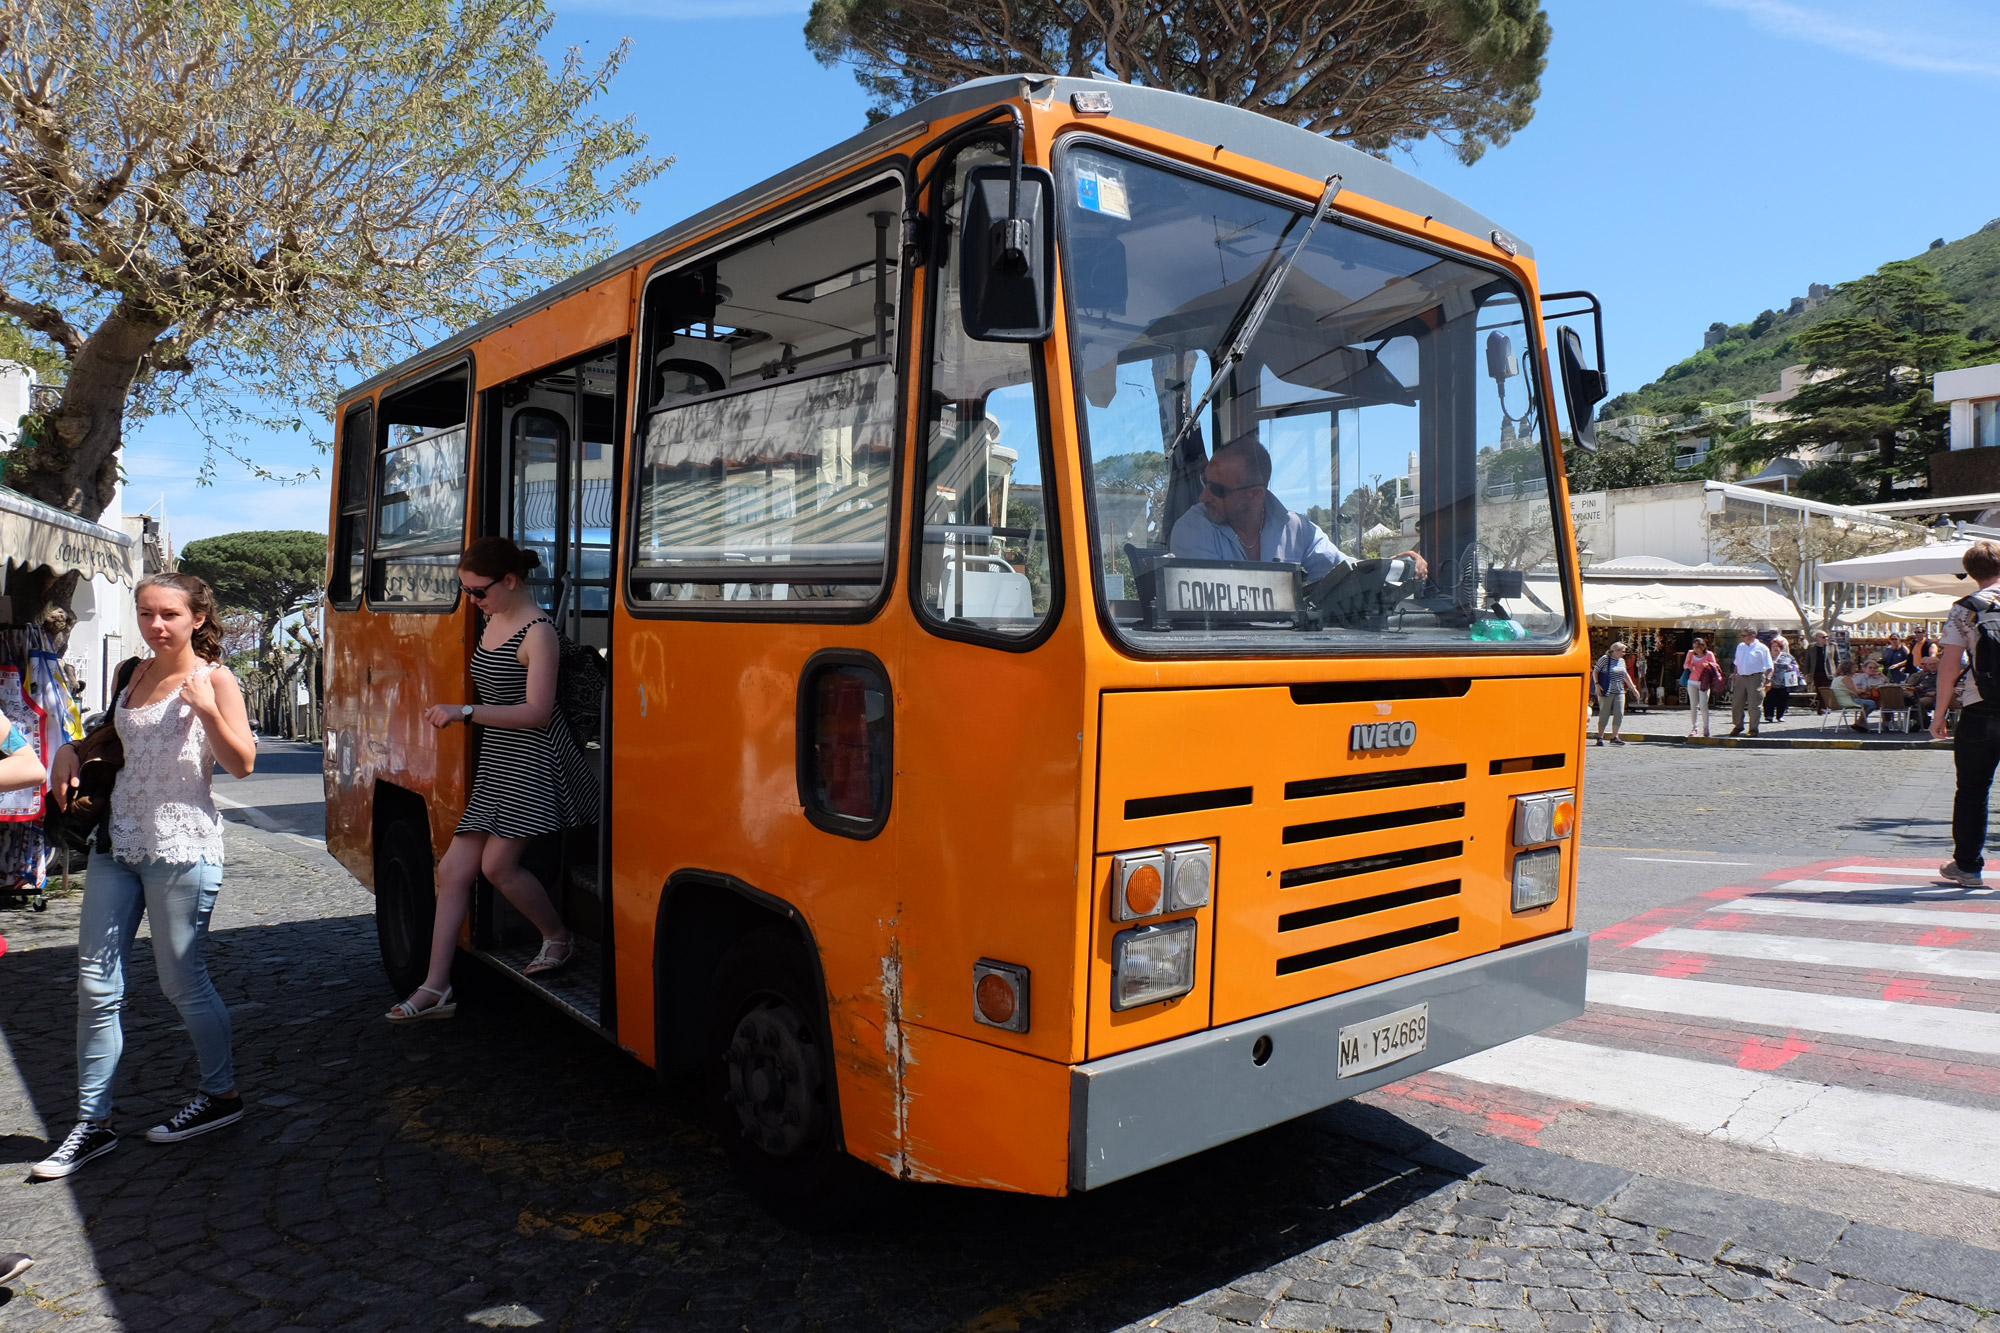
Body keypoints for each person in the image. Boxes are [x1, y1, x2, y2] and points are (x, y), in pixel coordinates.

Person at [34, 573, 257, 1180]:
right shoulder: (132, 672)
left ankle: (221, 1095)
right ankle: (92, 1123)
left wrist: (207, 710)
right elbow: (115, 737)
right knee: (94, 984)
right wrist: (68, 750)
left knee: (181, 982)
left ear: (198, 620)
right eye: (146, 613)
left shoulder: (216, 679)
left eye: (169, 615)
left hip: (182, 848)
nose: (155, 625)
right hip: (118, 842)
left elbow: (241, 764)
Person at [386, 536, 601, 1021]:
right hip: (500, 760)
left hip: (534, 761)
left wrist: (464, 711)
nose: (473, 602)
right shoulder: (494, 617)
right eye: (465, 592)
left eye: (478, 592)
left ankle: (558, 937)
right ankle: (437, 986)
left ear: (510, 581)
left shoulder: (538, 632)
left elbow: (538, 713)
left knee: (498, 867)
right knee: (453, 871)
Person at [1169, 434, 1427, 582]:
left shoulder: (1297, 530)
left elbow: (1345, 572)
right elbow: (1221, 604)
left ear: (1255, 495)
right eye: (1206, 482)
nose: (1203, 496)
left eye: (1218, 489)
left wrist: (1393, 567)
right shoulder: (1192, 529)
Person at [1931, 541, 2000, 887]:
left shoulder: (1965, 608)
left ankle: (1968, 866)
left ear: (1971, 572)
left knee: (1973, 788)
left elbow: (1949, 665)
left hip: (1980, 706)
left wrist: (1939, 713)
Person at [1589, 641, 1641, 747]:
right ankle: (1600, 736)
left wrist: (1633, 688)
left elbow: (1625, 674)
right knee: (1604, 714)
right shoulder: (1605, 659)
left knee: (1619, 713)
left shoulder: (1621, 661)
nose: (1624, 653)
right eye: (1622, 651)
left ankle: (1615, 737)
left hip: (1619, 690)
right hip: (1606, 690)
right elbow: (1595, 671)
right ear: (1615, 651)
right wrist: (1597, 684)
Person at [1729, 628, 1772, 737]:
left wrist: (1768, 680)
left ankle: (1753, 729)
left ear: (1753, 635)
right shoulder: (1740, 647)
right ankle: (1738, 725)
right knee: (1737, 704)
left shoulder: (1762, 648)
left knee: (1754, 705)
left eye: (1745, 635)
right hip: (1741, 677)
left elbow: (1769, 666)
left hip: (1755, 677)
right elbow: (1737, 663)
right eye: (1742, 635)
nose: (1743, 638)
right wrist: (1734, 675)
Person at [1683, 636, 1721, 738]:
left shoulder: (1709, 654)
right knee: (1693, 706)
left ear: (1703, 647)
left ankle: (1706, 728)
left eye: (1698, 647)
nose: (1696, 649)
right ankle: (1694, 728)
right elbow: (1685, 665)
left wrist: (1708, 665)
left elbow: (1715, 667)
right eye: (1694, 647)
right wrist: (1689, 666)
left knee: (1703, 705)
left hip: (1704, 682)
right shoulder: (1690, 654)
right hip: (1692, 682)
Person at [1765, 635, 1800, 723]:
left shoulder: (1787, 656)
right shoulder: (1767, 656)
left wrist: (1792, 667)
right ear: (1770, 648)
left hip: (1784, 682)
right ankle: (1769, 715)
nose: (1775, 648)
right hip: (1770, 681)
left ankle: (1780, 716)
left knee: (1783, 700)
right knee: (1769, 699)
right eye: (1773, 647)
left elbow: (1796, 665)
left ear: (1780, 648)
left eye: (1777, 646)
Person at [1803, 630, 1834, 712]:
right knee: (1819, 690)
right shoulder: (1811, 647)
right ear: (1817, 638)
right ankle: (1823, 707)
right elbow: (1807, 661)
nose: (1826, 639)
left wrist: (1837, 671)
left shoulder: (1832, 646)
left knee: (1826, 690)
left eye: (1827, 637)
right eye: (1824, 637)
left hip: (1828, 672)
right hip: (1816, 672)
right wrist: (1806, 673)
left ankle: (1823, 707)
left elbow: (1837, 660)